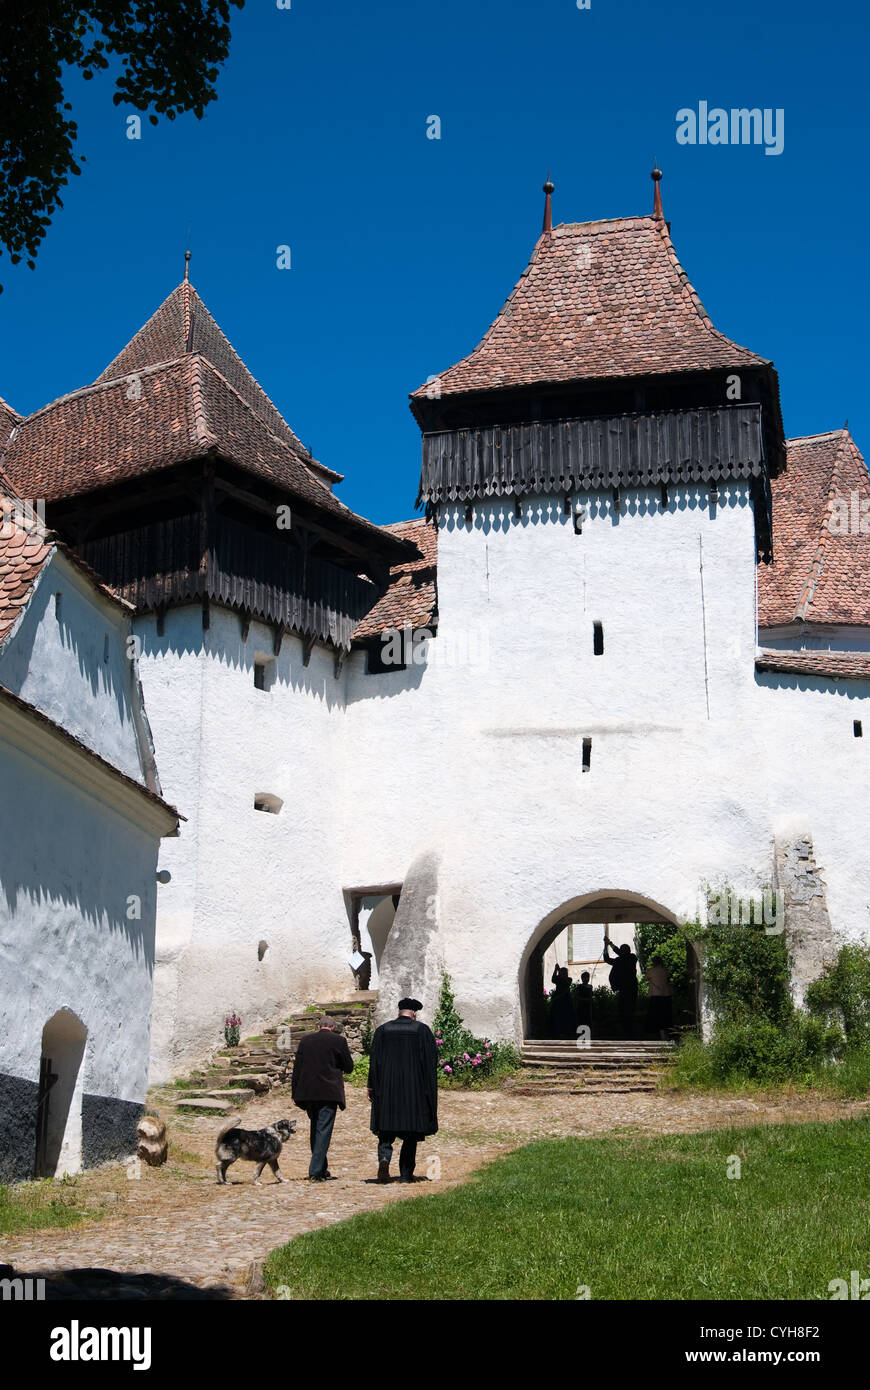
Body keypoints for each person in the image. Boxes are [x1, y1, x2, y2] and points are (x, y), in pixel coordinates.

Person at [367, 996, 438, 1183]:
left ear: (399, 1011)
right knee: (410, 1133)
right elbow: (430, 1064)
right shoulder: (422, 1031)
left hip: (387, 1090)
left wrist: (371, 1086)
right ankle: (406, 1174)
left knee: (385, 1130)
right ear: (413, 1013)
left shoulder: (383, 1030)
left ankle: (384, 1159)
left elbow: (374, 1062)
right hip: (413, 1092)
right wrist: (428, 1090)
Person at [291, 1015, 354, 1181]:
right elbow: (349, 1067)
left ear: (318, 1026)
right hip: (329, 1092)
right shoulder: (338, 1041)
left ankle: (321, 1167)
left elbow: (297, 1068)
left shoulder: (306, 1041)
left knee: (316, 1129)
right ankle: (316, 1171)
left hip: (308, 1093)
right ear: (332, 1027)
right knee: (323, 1131)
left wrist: (294, 1093)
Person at [603, 937, 639, 1036]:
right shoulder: (633, 958)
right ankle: (629, 1029)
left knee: (623, 1009)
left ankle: (626, 1029)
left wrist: (606, 946)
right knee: (630, 1008)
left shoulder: (620, 960)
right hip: (632, 987)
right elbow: (619, 952)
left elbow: (606, 959)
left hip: (623, 989)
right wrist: (609, 944)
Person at [644, 955, 673, 1039]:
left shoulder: (651, 971)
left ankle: (658, 1032)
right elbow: (668, 978)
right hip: (666, 994)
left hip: (656, 995)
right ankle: (665, 1032)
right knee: (665, 1014)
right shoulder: (665, 970)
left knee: (656, 1014)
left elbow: (646, 978)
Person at [550, 965, 576, 1039]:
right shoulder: (558, 979)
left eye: (565, 972)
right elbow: (553, 979)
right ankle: (558, 1032)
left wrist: (559, 972)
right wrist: (555, 970)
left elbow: (566, 983)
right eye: (563, 972)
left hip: (566, 1000)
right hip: (558, 1001)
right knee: (558, 1016)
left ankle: (567, 1032)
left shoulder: (569, 979)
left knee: (566, 1016)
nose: (564, 974)